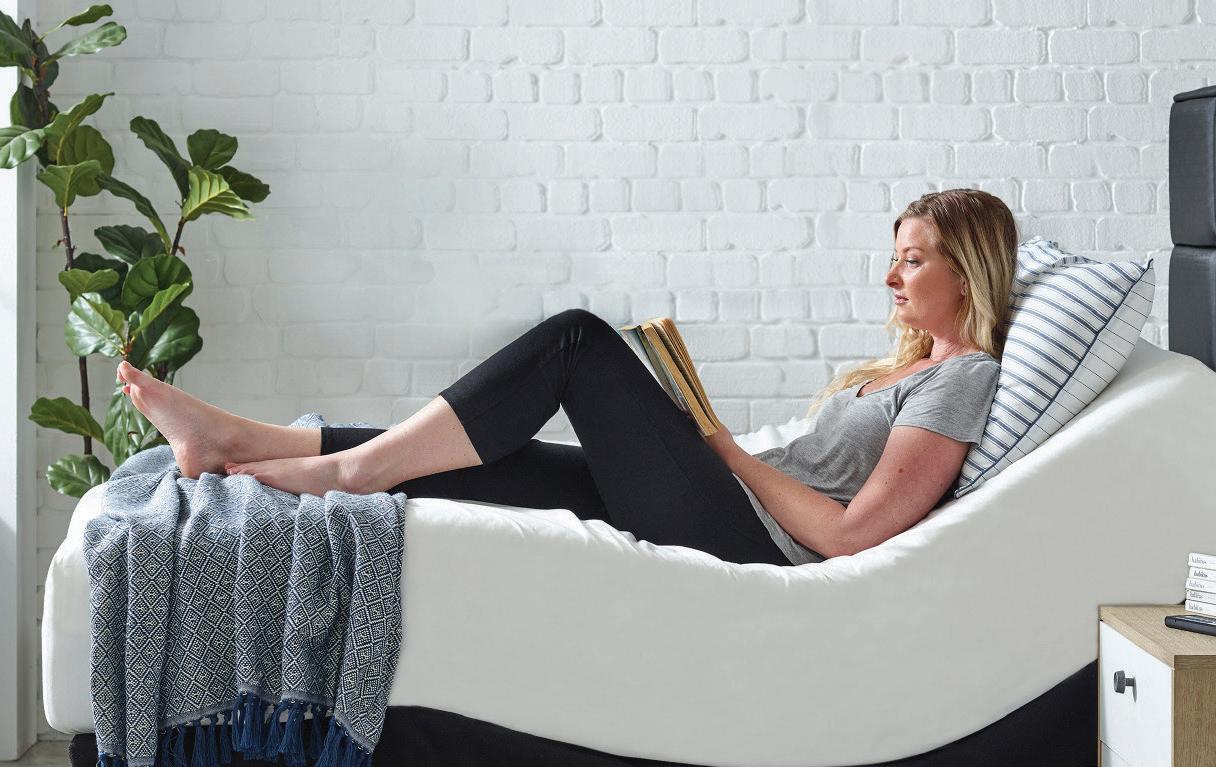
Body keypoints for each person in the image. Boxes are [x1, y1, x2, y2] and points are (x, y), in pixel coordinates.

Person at [115, 188, 1015, 567]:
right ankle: (244, 442)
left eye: (911, 261)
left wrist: (720, 447)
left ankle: (341, 469)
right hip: (730, 501)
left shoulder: (961, 378)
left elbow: (850, 538)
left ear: (967, 271)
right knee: (489, 458)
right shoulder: (914, 369)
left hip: (751, 538)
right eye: (894, 258)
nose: (890, 278)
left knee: (577, 343)